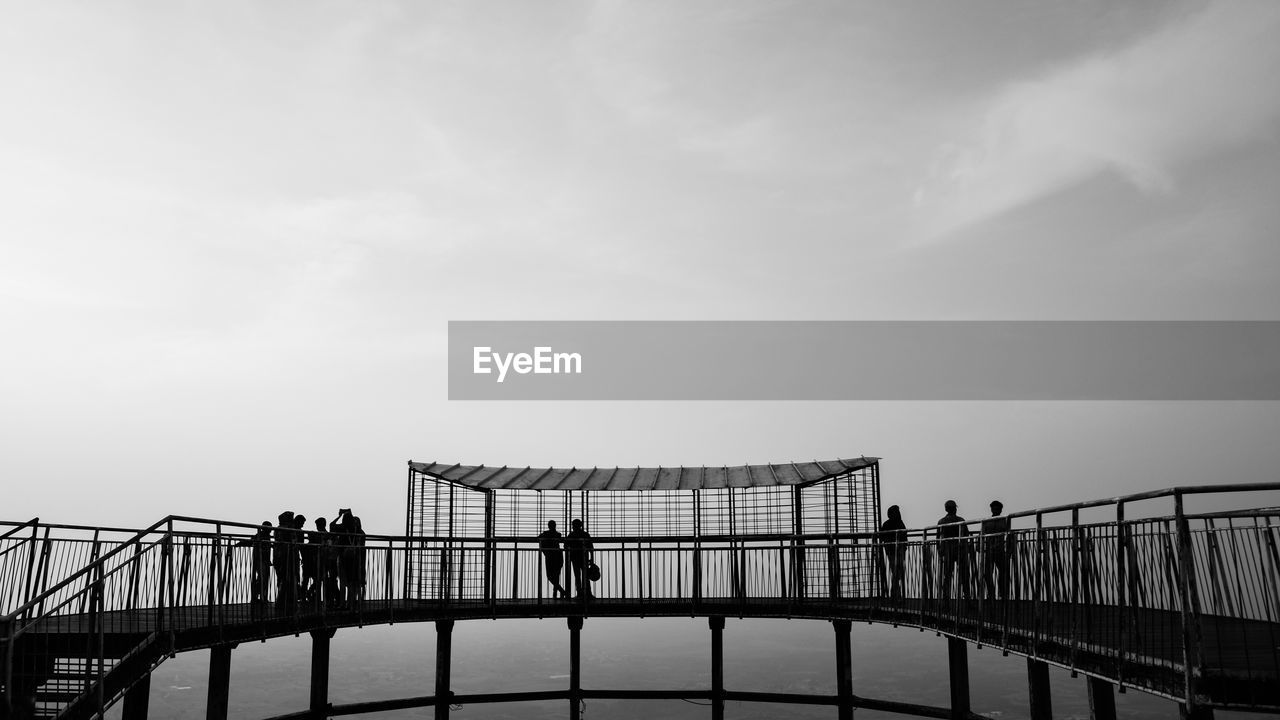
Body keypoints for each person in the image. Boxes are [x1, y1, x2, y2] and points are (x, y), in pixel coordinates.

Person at [936, 500, 970, 600]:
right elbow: (966, 534)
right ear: (954, 508)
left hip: (947, 551)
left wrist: (940, 550)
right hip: (960, 550)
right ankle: (967, 597)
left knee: (947, 576)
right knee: (964, 575)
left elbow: (938, 537)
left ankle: (946, 598)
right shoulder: (961, 520)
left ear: (946, 509)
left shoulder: (941, 521)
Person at [981, 500, 1015, 600]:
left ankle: (1002, 594)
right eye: (994, 508)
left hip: (1000, 550)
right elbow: (981, 534)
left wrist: (1009, 549)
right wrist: (980, 546)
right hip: (989, 550)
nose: (995, 510)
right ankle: (991, 594)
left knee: (1003, 573)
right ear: (991, 509)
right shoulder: (987, 521)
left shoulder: (1004, 520)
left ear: (1000, 510)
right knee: (988, 574)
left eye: (997, 508)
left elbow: (1009, 535)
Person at [237, 521, 273, 605]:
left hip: (264, 560)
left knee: (263, 578)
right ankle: (256, 596)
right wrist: (241, 543)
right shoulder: (260, 535)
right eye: (269, 527)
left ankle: (260, 596)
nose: (271, 529)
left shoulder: (266, 536)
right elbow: (251, 541)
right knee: (262, 578)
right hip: (259, 560)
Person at [878, 505, 907, 599]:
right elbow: (904, 535)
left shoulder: (887, 524)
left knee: (896, 572)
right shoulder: (899, 523)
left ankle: (894, 593)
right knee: (897, 572)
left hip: (893, 550)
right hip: (895, 551)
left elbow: (881, 537)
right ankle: (896, 594)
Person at [537, 520, 568, 599]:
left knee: (550, 577)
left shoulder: (545, 534)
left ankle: (560, 592)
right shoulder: (558, 534)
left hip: (550, 557)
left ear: (549, 526)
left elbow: (538, 538)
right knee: (556, 576)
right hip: (558, 556)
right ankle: (558, 593)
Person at [565, 519, 593, 601]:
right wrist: (592, 558)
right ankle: (588, 593)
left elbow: (565, 546)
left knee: (577, 576)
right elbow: (591, 547)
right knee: (586, 576)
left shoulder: (571, 535)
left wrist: (569, 556)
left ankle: (579, 594)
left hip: (574, 558)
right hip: (584, 558)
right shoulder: (585, 534)